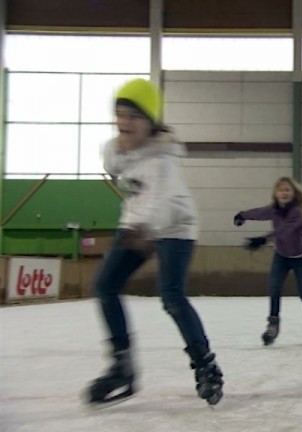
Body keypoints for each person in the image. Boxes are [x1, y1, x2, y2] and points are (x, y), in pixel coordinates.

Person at [87, 79, 223, 406]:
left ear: (150, 121)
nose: (124, 123)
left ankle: (206, 366)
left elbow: (159, 203)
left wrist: (145, 232)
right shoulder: (124, 149)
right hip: (136, 223)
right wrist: (117, 147)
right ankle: (122, 365)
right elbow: (109, 163)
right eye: (120, 115)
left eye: (134, 116)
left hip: (175, 225)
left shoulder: (162, 158)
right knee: (105, 285)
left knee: (171, 296)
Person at [234, 177, 302, 345]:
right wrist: (243, 215)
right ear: (276, 194)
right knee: (274, 289)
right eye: (281, 190)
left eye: (287, 190)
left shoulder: (297, 212)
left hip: (299, 257)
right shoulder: (274, 210)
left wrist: (263, 240)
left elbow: (284, 232)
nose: (284, 193)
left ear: (293, 193)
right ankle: (273, 324)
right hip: (281, 256)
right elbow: (260, 212)